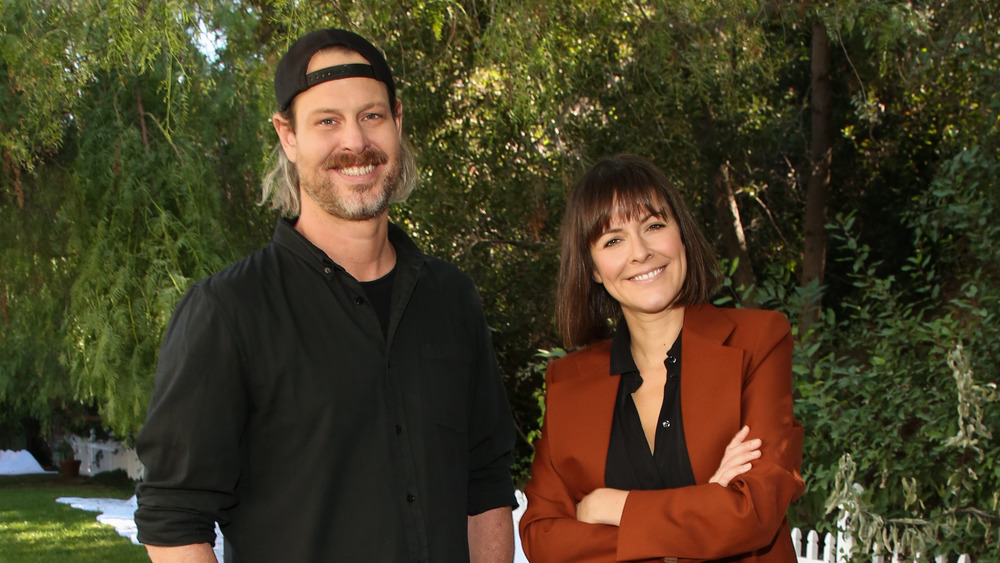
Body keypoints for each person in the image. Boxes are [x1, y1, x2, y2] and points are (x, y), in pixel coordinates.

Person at [134, 28, 517, 563]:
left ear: (398, 123)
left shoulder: (452, 300)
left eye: (372, 116)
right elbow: (174, 517)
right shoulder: (228, 312)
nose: (355, 143)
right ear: (287, 136)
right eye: (327, 121)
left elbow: (487, 483)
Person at [518, 154, 805, 562]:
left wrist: (610, 507)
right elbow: (542, 539)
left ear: (681, 234)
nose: (641, 252)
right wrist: (708, 506)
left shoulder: (758, 343)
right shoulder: (567, 382)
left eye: (654, 226)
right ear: (594, 269)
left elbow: (756, 511)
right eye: (613, 240)